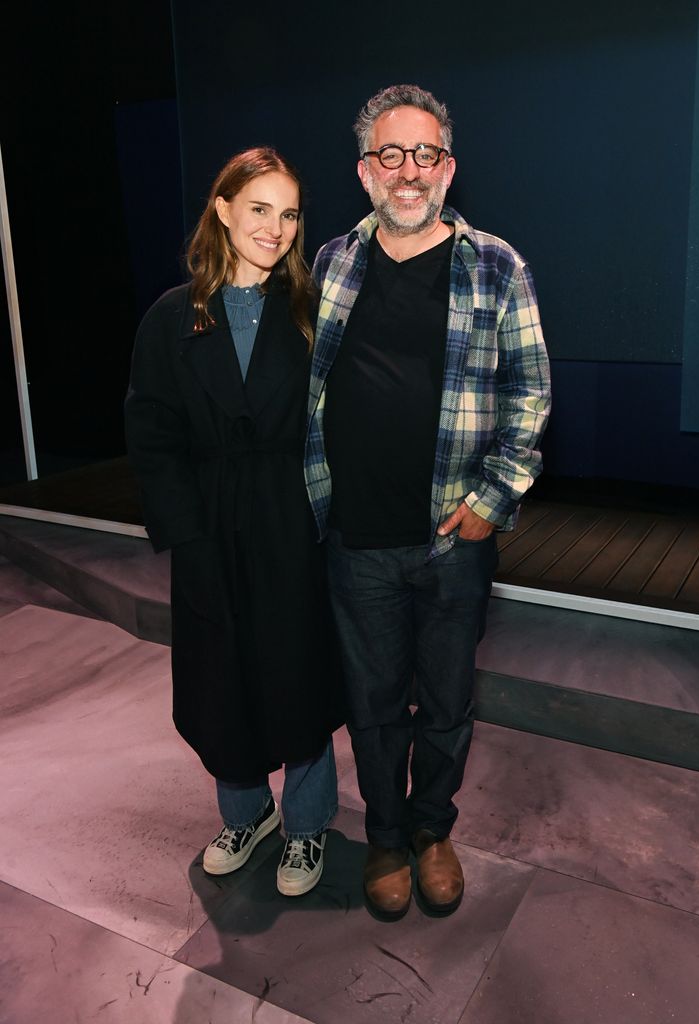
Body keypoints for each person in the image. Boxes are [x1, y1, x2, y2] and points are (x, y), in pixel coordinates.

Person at [304, 85, 551, 919]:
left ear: (448, 166)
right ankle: (383, 837)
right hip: (356, 539)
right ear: (364, 170)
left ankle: (432, 830)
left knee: (446, 701)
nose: (407, 172)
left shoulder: (497, 265)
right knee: (372, 708)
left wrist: (495, 497)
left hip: (455, 539)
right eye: (389, 154)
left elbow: (531, 394)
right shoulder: (331, 263)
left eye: (424, 155)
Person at [125, 147, 342, 897]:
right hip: (209, 524)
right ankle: (245, 813)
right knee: (220, 677)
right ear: (222, 209)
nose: (275, 228)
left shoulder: (311, 311)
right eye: (259, 209)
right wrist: (187, 534)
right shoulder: (170, 316)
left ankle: (308, 827)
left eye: (288, 215)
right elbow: (150, 433)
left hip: (290, 519)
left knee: (300, 673)